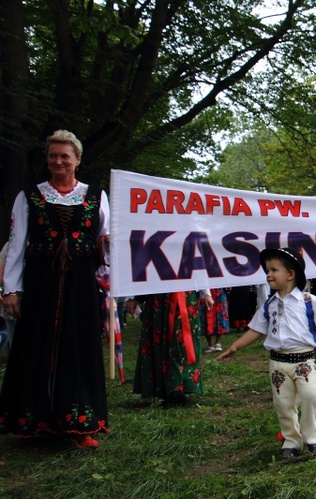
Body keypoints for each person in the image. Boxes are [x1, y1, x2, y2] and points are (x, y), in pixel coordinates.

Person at [0, 130, 109, 448]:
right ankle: (34, 422)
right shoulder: (29, 196)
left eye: (65, 155)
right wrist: (11, 289)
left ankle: (80, 425)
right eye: (53, 156)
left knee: (79, 347)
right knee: (38, 345)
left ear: (78, 160)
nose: (58, 161)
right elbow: (17, 244)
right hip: (41, 283)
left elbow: (105, 241)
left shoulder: (96, 196)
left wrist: (112, 259)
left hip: (81, 285)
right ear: (47, 160)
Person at [218, 248, 316, 458]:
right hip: (277, 363)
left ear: (291, 274)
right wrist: (234, 347)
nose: (268, 274)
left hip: (304, 361)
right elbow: (256, 329)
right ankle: (291, 440)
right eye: (267, 270)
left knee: (311, 395)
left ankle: (312, 435)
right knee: (283, 403)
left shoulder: (310, 301)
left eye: (274, 270)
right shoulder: (269, 305)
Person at [129, 290, 213, 406]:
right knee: (160, 339)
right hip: (159, 298)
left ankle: (179, 387)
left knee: (181, 342)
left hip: (184, 297)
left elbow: (199, 271)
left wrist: (206, 292)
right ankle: (166, 388)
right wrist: (136, 297)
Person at [202, 288, 229, 353]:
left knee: (220, 315)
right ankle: (210, 344)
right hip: (205, 291)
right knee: (204, 316)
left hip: (218, 291)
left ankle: (218, 342)